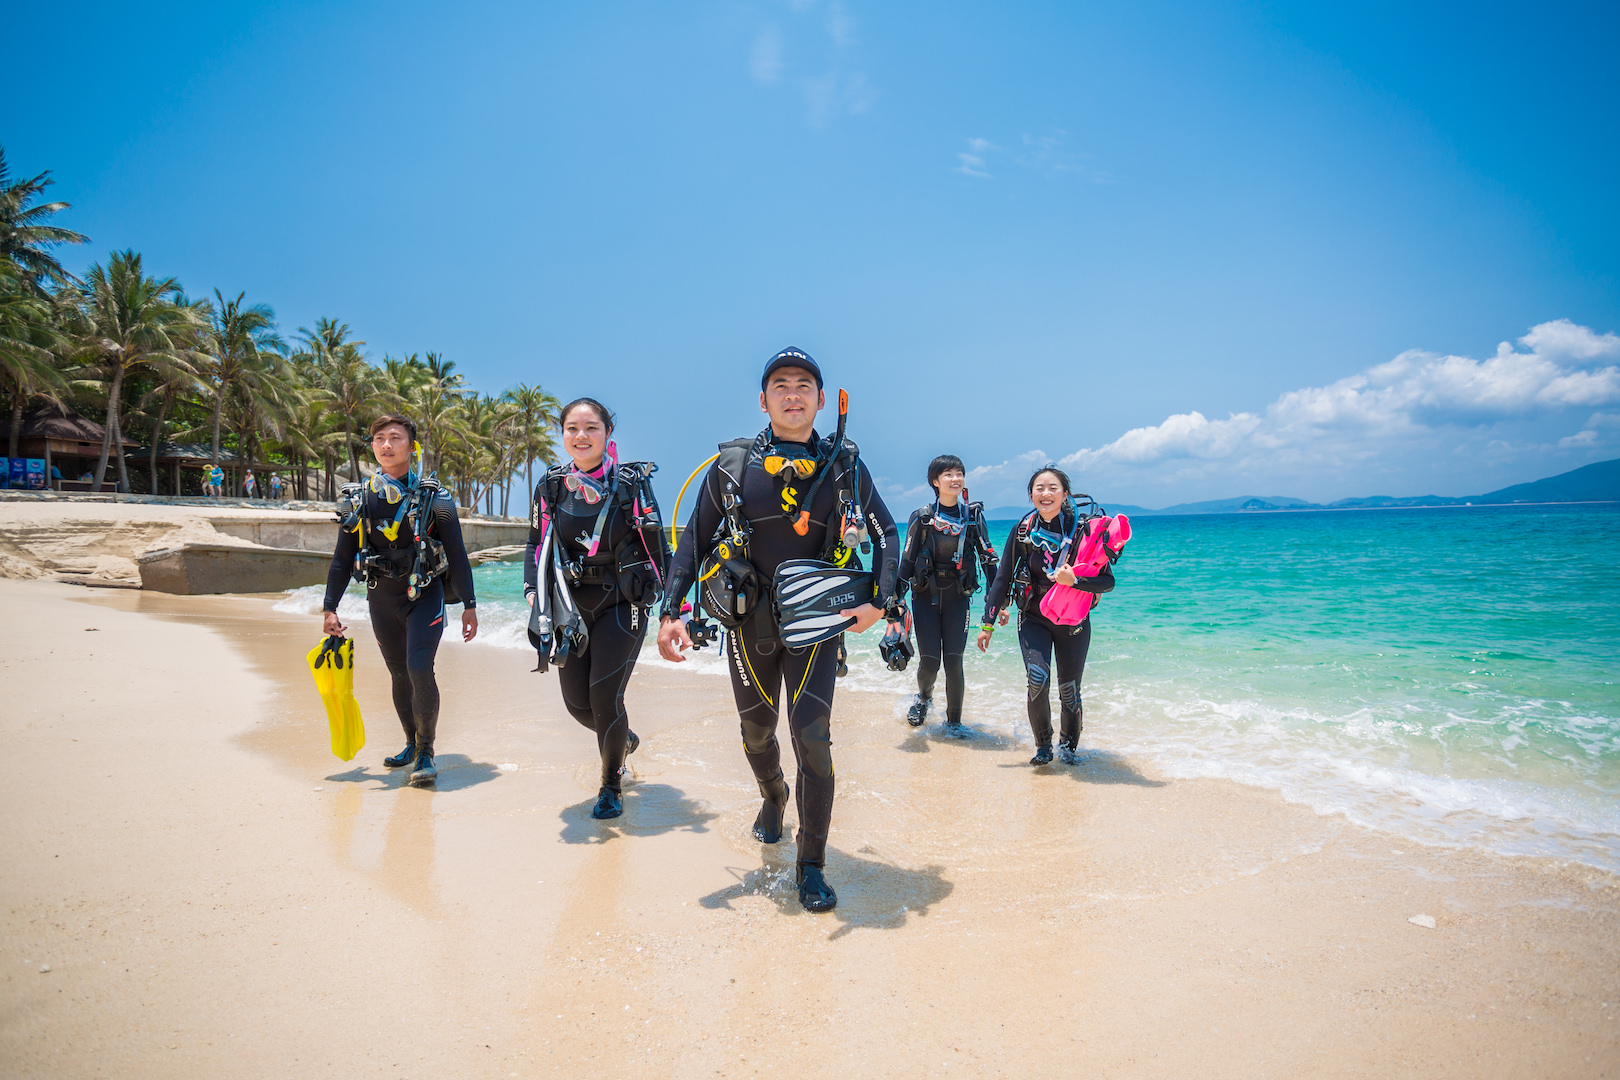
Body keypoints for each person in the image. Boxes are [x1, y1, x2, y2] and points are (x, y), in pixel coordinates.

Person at [656, 347, 900, 912]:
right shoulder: (732, 468)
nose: (793, 394)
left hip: (817, 624)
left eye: (804, 385)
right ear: (762, 400)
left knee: (813, 739)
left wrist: (881, 603)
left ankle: (811, 865)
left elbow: (888, 534)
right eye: (781, 385)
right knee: (757, 734)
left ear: (822, 399)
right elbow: (692, 539)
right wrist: (671, 609)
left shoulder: (843, 464)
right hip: (749, 623)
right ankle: (773, 794)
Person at [525, 397, 670, 820]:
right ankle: (621, 739)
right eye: (572, 428)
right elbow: (536, 543)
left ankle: (610, 784)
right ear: (563, 435)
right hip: (570, 603)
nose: (581, 436)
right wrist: (534, 592)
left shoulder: (629, 485)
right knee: (576, 704)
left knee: (605, 696)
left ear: (607, 434)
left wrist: (668, 608)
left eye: (591, 428)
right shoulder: (551, 485)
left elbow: (658, 547)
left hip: (622, 602)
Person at [321, 415, 478, 785]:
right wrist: (330, 607)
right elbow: (343, 559)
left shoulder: (435, 498)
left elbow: (457, 554)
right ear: (372, 446)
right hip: (381, 598)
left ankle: (426, 750)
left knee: (419, 667)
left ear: (412, 446)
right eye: (379, 439)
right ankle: (410, 741)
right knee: (398, 672)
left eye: (395, 438)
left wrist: (470, 605)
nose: (387, 445)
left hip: (424, 594)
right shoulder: (358, 499)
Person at [978, 466, 1114, 766]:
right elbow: (1002, 579)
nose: (1046, 493)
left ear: (1065, 493)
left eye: (1053, 487)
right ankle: (1043, 746)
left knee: (1069, 689)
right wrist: (987, 623)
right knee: (1037, 679)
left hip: (1073, 622)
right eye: (1039, 488)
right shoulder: (1024, 530)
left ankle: (1068, 749)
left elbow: (1108, 581)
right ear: (1031, 495)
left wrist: (1075, 581)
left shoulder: (1083, 531)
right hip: (1033, 618)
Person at [895, 455, 998, 730]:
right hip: (925, 597)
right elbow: (906, 561)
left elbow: (988, 558)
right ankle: (924, 699)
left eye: (959, 473)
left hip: (958, 598)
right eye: (948, 474)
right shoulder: (922, 518)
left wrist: (998, 600)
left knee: (954, 663)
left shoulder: (973, 518)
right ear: (935, 481)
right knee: (930, 662)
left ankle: (954, 724)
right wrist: (893, 601)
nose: (955, 479)